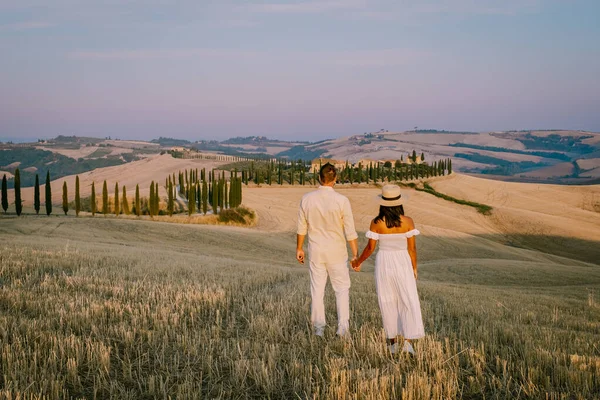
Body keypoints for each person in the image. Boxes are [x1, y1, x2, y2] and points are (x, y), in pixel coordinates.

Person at [351, 184, 424, 354]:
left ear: (383, 203)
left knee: (387, 299)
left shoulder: (376, 223)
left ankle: (392, 343)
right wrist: (414, 267)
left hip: (384, 261)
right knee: (407, 298)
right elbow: (412, 249)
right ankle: (407, 342)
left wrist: (358, 262)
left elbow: (370, 248)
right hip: (402, 260)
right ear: (399, 203)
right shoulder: (408, 221)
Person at [296, 163, 359, 337]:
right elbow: (350, 231)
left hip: (316, 251)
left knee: (317, 290)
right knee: (341, 289)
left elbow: (302, 227)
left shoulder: (307, 199)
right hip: (337, 252)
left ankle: (318, 329)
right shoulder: (342, 201)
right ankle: (343, 328)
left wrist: (299, 248)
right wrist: (355, 255)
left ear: (319, 178)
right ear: (335, 179)